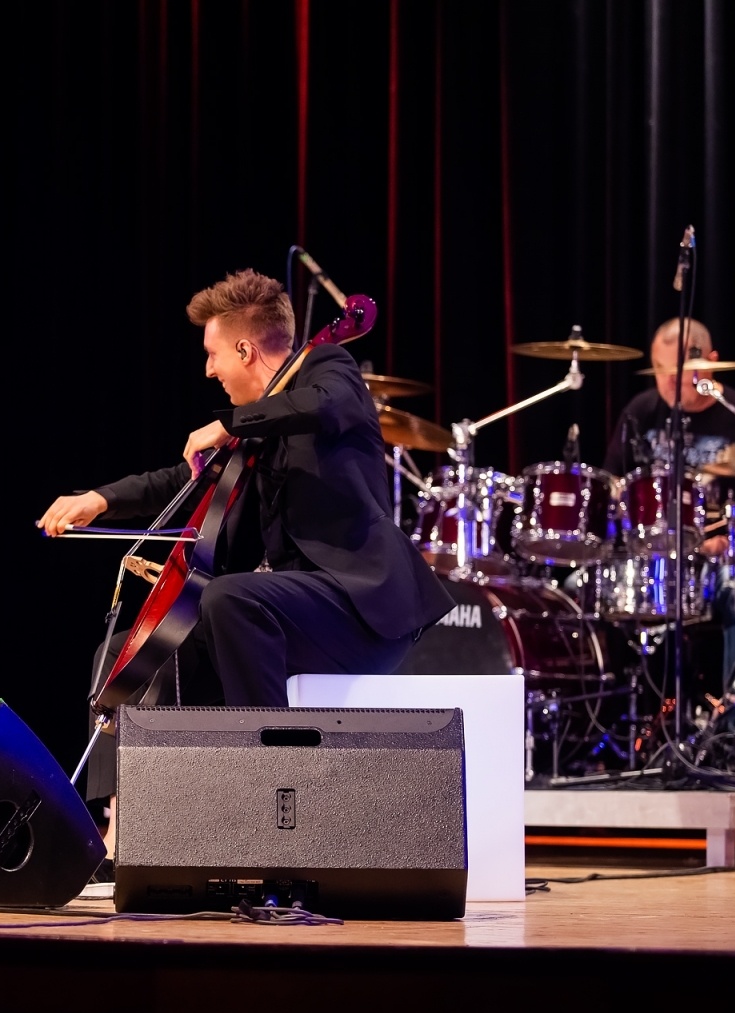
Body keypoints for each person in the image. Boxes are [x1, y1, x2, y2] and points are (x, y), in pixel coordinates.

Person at [38, 270, 454, 812]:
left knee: (230, 596)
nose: (208, 370)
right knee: (122, 656)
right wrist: (100, 498)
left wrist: (233, 422)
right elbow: (179, 479)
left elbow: (322, 404)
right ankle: (127, 822)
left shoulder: (331, 369)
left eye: (214, 355)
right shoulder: (253, 437)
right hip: (285, 618)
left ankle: (275, 794)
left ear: (244, 348)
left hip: (360, 611)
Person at [601, 317, 735, 690]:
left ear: (711, 361)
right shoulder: (641, 411)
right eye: (661, 370)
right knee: (577, 590)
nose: (670, 380)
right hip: (648, 562)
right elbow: (612, 486)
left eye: (681, 371)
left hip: (716, 561)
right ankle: (595, 720)